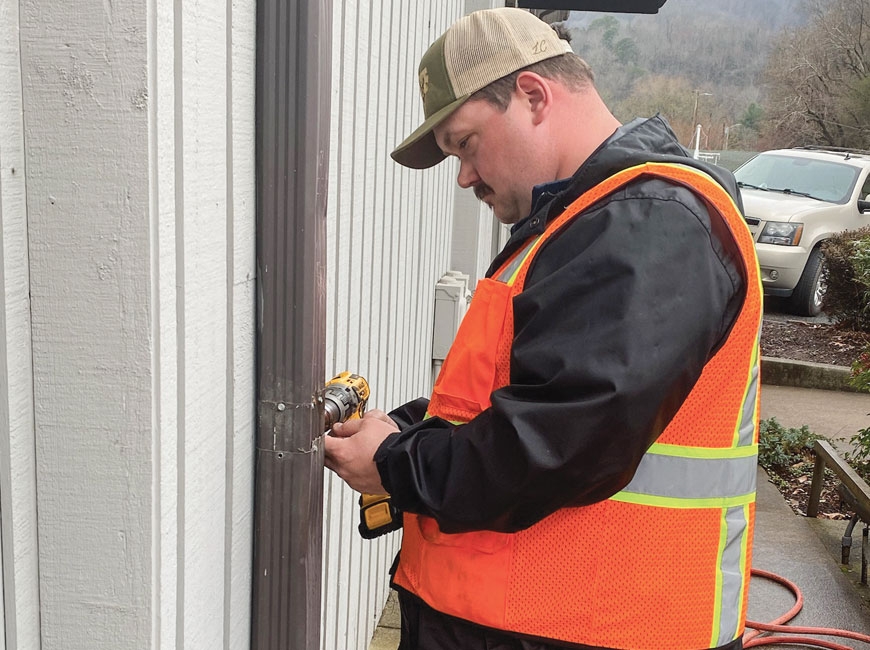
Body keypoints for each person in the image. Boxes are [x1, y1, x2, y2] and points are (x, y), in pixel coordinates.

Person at [324, 7, 761, 650]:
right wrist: (414, 426)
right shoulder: (584, 223)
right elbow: (529, 390)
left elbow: (558, 443)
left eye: (465, 144)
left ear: (533, 95)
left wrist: (396, 463)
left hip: (594, 629)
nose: (465, 176)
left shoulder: (650, 223)